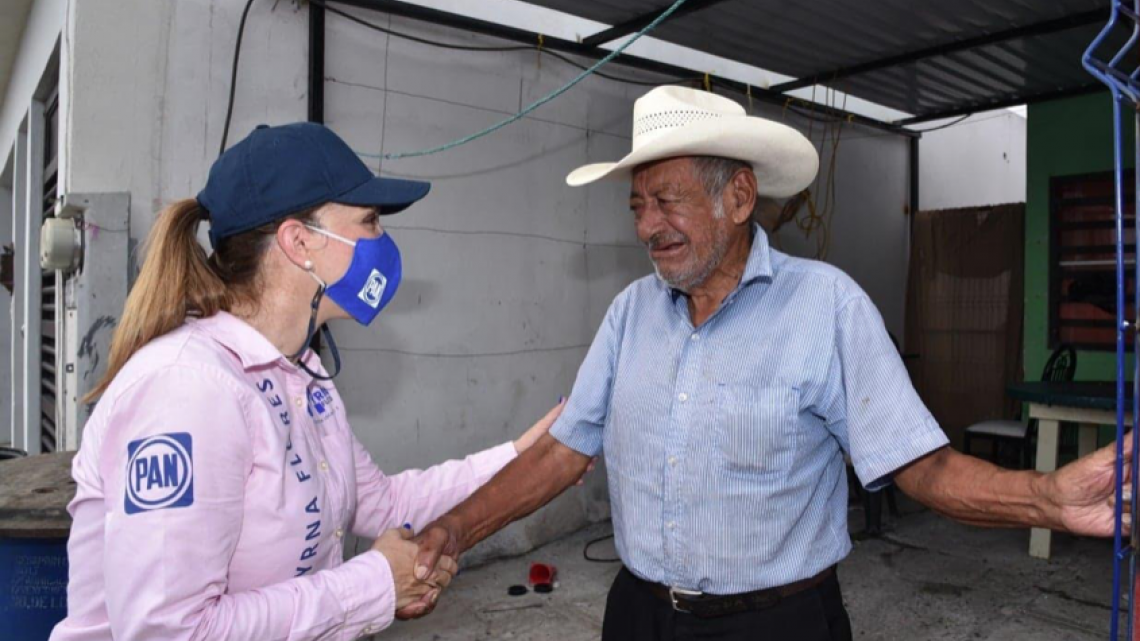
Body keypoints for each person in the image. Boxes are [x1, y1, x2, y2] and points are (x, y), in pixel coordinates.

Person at [404, 87, 1130, 640]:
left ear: (739, 197)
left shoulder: (828, 308)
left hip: (779, 622)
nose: (648, 227)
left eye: (666, 201)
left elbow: (919, 464)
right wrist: (456, 529)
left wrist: (1047, 498)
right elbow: (563, 452)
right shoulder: (630, 312)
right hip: (638, 615)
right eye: (636, 206)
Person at [48, 122, 562, 641]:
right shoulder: (188, 389)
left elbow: (387, 504)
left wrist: (526, 454)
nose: (382, 241)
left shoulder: (302, 374)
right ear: (299, 242)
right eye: (369, 221)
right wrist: (375, 585)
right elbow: (167, 632)